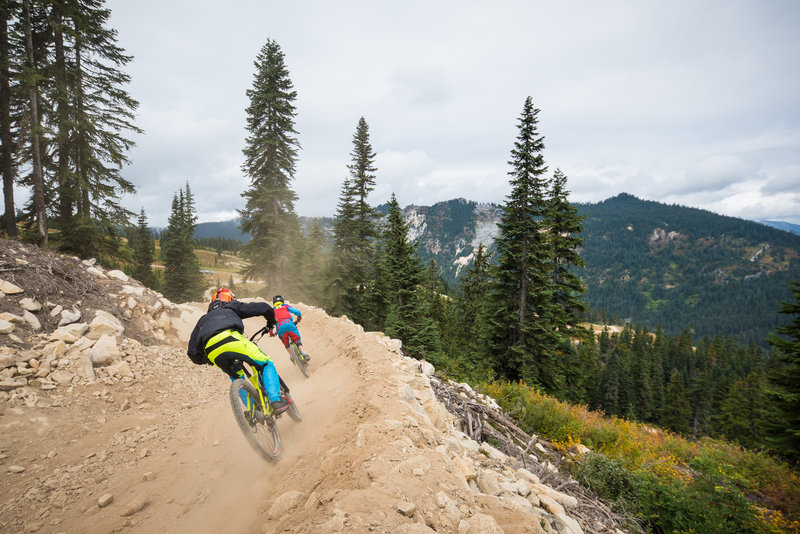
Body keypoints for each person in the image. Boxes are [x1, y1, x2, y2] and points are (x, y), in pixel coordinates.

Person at [187, 288, 292, 414]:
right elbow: (263, 307)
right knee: (265, 364)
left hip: (212, 352)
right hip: (231, 339)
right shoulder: (230, 306)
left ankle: (253, 411)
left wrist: (208, 359)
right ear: (230, 298)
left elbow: (192, 353)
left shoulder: (203, 320)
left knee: (236, 377)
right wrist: (271, 321)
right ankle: (276, 401)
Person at [269, 294, 310, 362]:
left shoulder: (272, 311)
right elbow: (297, 312)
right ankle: (304, 353)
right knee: (297, 340)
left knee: (286, 343)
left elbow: (270, 323)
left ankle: (292, 356)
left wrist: (272, 333)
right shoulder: (285, 306)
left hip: (280, 328)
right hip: (290, 324)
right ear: (282, 301)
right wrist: (298, 319)